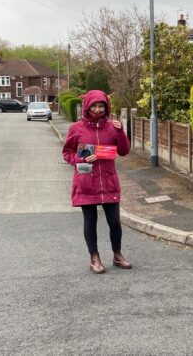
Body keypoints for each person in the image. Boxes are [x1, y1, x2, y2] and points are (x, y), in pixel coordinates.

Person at [62, 90, 131, 274]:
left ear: (106, 107)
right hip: (86, 182)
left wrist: (121, 132)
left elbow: (124, 151)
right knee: (90, 222)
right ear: (87, 107)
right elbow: (67, 153)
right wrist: (81, 159)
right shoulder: (76, 128)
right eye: (95, 106)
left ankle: (117, 255)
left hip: (108, 181)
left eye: (101, 106)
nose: (98, 109)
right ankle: (94, 257)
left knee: (114, 222)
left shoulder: (112, 127)